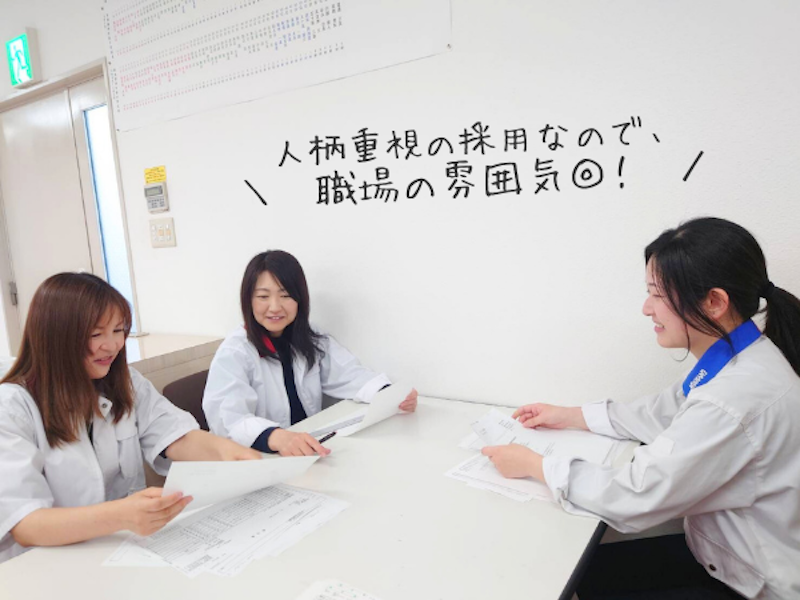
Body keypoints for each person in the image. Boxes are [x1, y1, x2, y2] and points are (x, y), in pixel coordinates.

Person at [482, 218, 800, 599]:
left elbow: (636, 496)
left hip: (752, 584)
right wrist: (569, 416)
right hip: (727, 556)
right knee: (586, 574)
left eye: (658, 295)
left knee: (567, 576)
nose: (647, 309)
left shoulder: (733, 399)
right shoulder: (741, 355)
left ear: (714, 302)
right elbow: (666, 411)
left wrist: (534, 465)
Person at [0, 273, 261, 564]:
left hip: (121, 550)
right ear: (57, 338)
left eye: (118, 330)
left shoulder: (124, 382)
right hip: (46, 564)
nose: (112, 345)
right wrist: (121, 516)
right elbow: (26, 524)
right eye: (96, 334)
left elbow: (174, 434)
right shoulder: (11, 408)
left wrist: (229, 453)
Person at [203, 250, 417, 457]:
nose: (275, 307)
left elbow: (347, 373)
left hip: (307, 449)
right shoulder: (235, 352)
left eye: (285, 295)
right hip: (258, 458)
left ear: (300, 298)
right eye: (263, 296)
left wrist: (389, 394)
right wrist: (275, 437)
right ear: (248, 300)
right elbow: (227, 420)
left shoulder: (308, 336)